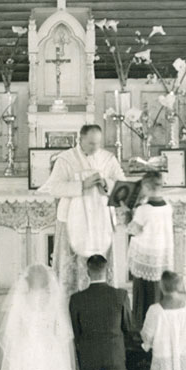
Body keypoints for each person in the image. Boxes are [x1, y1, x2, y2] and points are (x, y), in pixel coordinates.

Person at [39, 124, 125, 294]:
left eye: (98, 143)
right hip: (73, 222)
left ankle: (101, 298)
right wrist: (81, 185)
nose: (96, 148)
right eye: (91, 143)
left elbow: (122, 185)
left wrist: (106, 183)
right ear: (80, 140)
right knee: (71, 268)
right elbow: (54, 188)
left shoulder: (108, 159)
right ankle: (71, 301)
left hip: (100, 222)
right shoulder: (66, 159)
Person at [69, 255, 132, 370]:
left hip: (89, 352)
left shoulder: (77, 299)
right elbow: (128, 326)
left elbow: (74, 331)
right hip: (114, 351)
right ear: (108, 271)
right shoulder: (121, 295)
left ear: (88, 272)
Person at [127, 171, 174, 327]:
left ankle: (143, 325)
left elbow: (133, 230)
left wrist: (129, 212)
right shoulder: (168, 206)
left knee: (145, 293)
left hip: (146, 255)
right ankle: (160, 324)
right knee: (158, 291)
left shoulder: (144, 209)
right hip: (161, 255)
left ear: (146, 187)